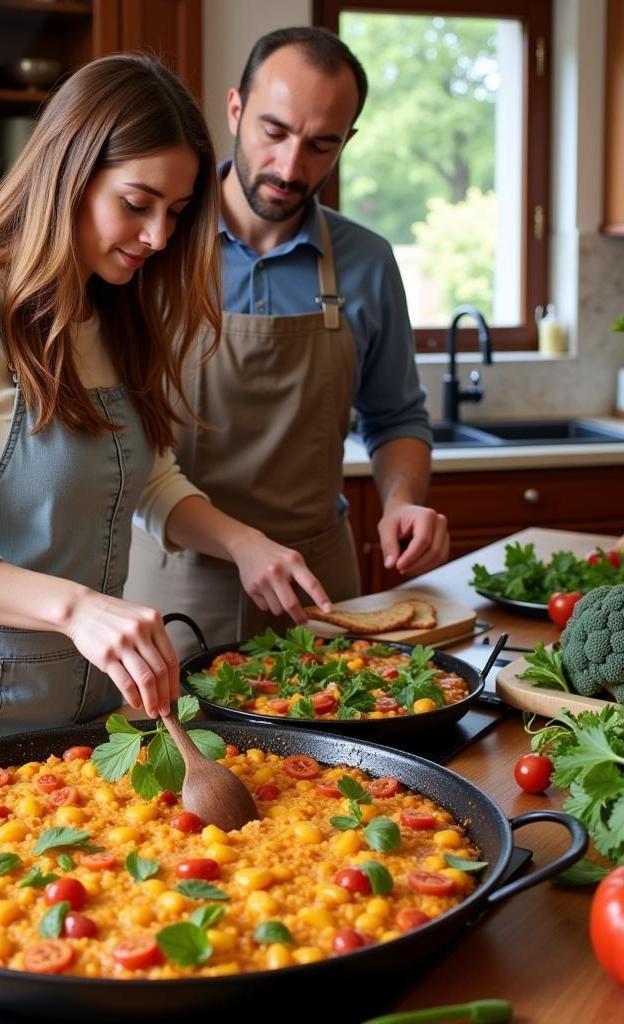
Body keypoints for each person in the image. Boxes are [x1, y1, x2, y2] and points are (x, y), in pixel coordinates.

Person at [0, 54, 332, 788]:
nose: (159, 236)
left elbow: (144, 476)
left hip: (77, 698)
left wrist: (245, 544)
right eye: (137, 202)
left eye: (178, 211)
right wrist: (79, 609)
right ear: (69, 172)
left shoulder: (111, 307)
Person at [126, 27, 450, 654]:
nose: (289, 166)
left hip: (318, 595)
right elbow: (115, 440)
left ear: (346, 143)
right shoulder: (153, 246)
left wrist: (401, 502)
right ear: (235, 110)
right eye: (273, 132)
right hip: (171, 588)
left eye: (321, 145)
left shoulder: (368, 262)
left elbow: (397, 416)